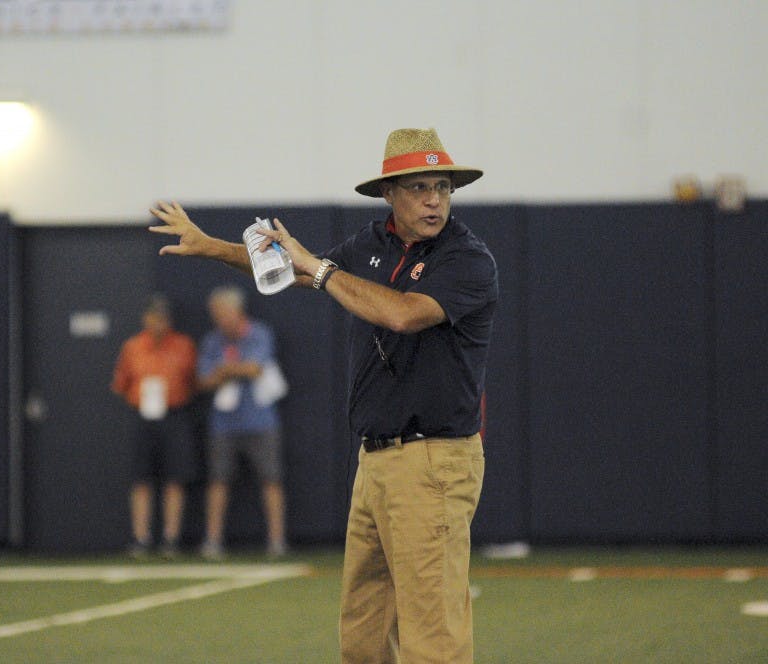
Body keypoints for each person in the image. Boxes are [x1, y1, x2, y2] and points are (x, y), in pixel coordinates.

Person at [149, 126, 497, 663]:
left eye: (443, 188)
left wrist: (324, 268)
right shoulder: (370, 243)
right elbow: (296, 270)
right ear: (390, 193)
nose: (434, 200)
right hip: (376, 459)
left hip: (434, 461)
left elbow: (401, 314)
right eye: (420, 188)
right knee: (362, 632)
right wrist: (210, 248)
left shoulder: (467, 259)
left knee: (432, 638)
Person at [196, 285, 289, 560]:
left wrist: (224, 370)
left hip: (261, 421)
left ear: (237, 312)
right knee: (218, 480)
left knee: (271, 479)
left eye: (223, 314)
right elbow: (203, 380)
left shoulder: (259, 333)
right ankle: (213, 541)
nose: (219, 320)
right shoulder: (212, 341)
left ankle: (276, 540)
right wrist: (231, 371)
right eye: (215, 315)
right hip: (223, 424)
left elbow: (256, 367)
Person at [111, 294, 198, 558]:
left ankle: (171, 539)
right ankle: (141, 538)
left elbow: (193, 381)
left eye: (162, 318)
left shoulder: (183, 345)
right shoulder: (133, 347)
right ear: (145, 318)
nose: (158, 323)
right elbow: (120, 384)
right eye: (153, 317)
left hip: (175, 415)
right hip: (143, 416)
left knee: (176, 478)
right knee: (141, 479)